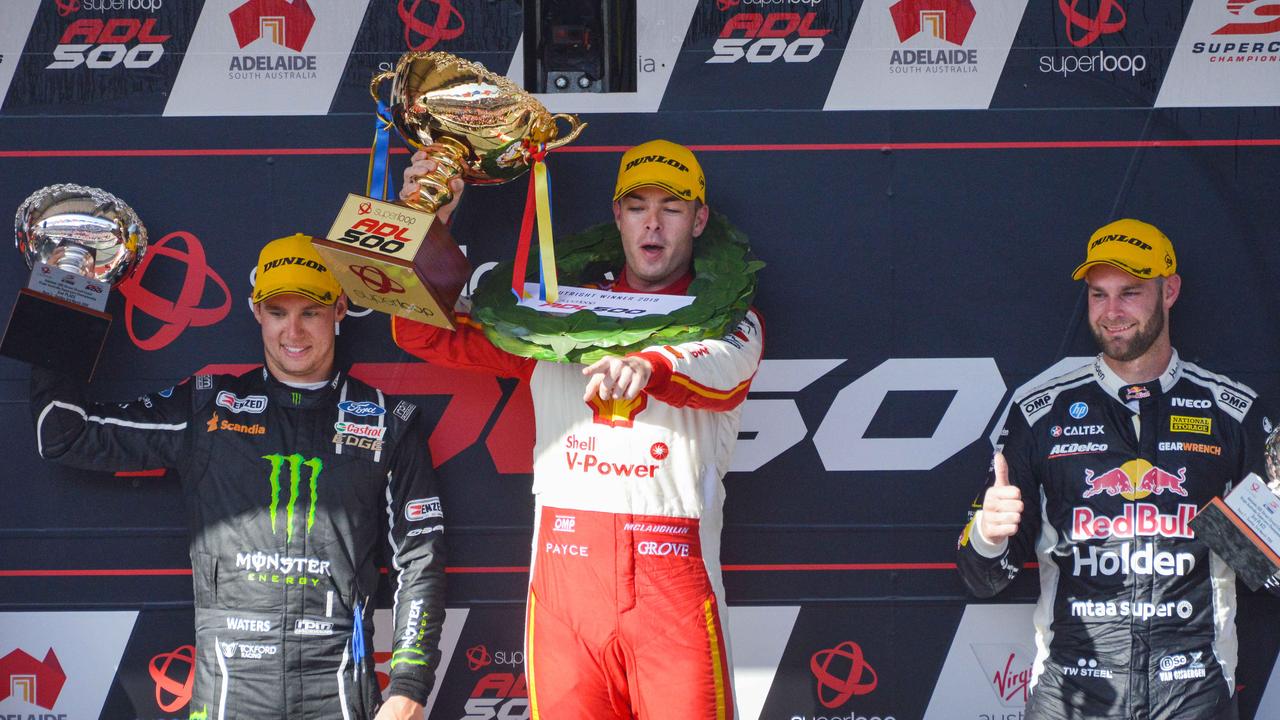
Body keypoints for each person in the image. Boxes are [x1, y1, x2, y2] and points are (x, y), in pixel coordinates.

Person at [393, 139, 762, 719]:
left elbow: (722, 373)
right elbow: (421, 333)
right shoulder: (549, 318)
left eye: (672, 207)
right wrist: (424, 219)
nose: (654, 224)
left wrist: (649, 365)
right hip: (565, 587)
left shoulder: (727, 314)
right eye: (638, 205)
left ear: (699, 218)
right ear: (617, 216)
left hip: (674, 593)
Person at [30, 233, 446, 720]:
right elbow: (62, 435)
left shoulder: (385, 419)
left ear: (338, 310)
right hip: (230, 689)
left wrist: (410, 685)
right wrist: (65, 289)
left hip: (338, 689)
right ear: (255, 312)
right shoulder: (208, 406)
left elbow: (420, 556)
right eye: (277, 312)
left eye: (310, 311)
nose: (293, 331)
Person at [956, 219, 1279, 720]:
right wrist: (989, 536)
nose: (1112, 313)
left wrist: (1255, 531)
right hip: (1071, 697)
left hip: (1194, 695)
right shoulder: (1040, 408)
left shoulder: (1230, 411)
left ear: (1168, 291)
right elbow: (983, 578)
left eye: (1130, 292)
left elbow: (1271, 573)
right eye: (1098, 294)